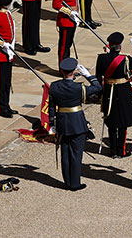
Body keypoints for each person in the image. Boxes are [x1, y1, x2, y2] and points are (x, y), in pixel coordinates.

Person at [48, 58, 102, 191]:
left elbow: (51, 107)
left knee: (65, 153)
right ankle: (75, 183)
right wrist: (88, 75)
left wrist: (52, 122)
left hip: (62, 122)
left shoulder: (54, 86)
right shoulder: (79, 87)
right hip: (77, 122)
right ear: (74, 72)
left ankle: (67, 182)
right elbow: (98, 87)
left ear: (62, 71)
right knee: (76, 154)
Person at [95, 32, 132, 158]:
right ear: (120, 47)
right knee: (122, 123)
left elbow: (98, 76)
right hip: (123, 91)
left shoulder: (102, 58)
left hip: (108, 91)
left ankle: (113, 151)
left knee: (111, 121)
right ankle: (121, 150)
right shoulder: (125, 59)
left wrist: (101, 91)